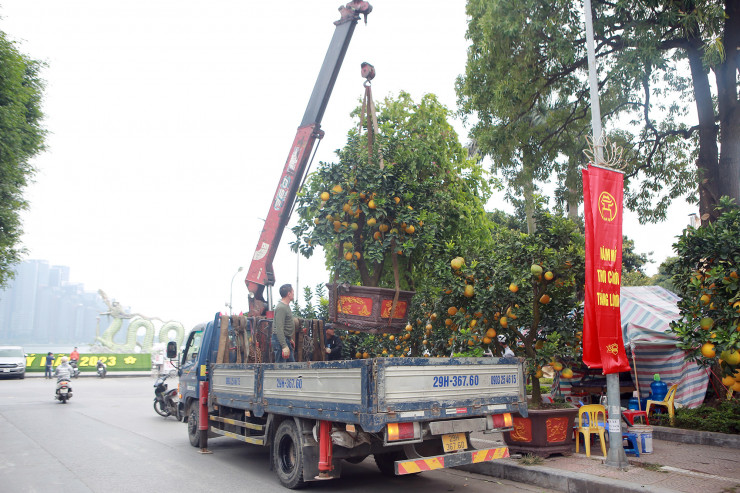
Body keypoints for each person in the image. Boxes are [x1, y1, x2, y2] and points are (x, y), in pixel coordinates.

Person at [272, 284, 295, 363]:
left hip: (285, 339)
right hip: (280, 340)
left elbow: (285, 325)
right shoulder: (281, 308)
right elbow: (279, 328)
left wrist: (289, 339)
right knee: (281, 368)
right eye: (292, 292)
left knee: (291, 366)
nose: (293, 294)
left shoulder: (286, 306)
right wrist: (284, 346)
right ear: (289, 294)